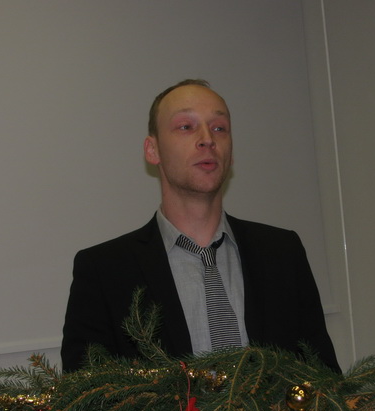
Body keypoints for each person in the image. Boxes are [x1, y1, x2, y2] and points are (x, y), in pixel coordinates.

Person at [61, 79, 339, 372]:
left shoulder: (282, 253)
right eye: (186, 126)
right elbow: (86, 393)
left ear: (231, 151)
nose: (207, 139)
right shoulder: (104, 271)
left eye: (219, 128)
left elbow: (324, 379)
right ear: (152, 150)